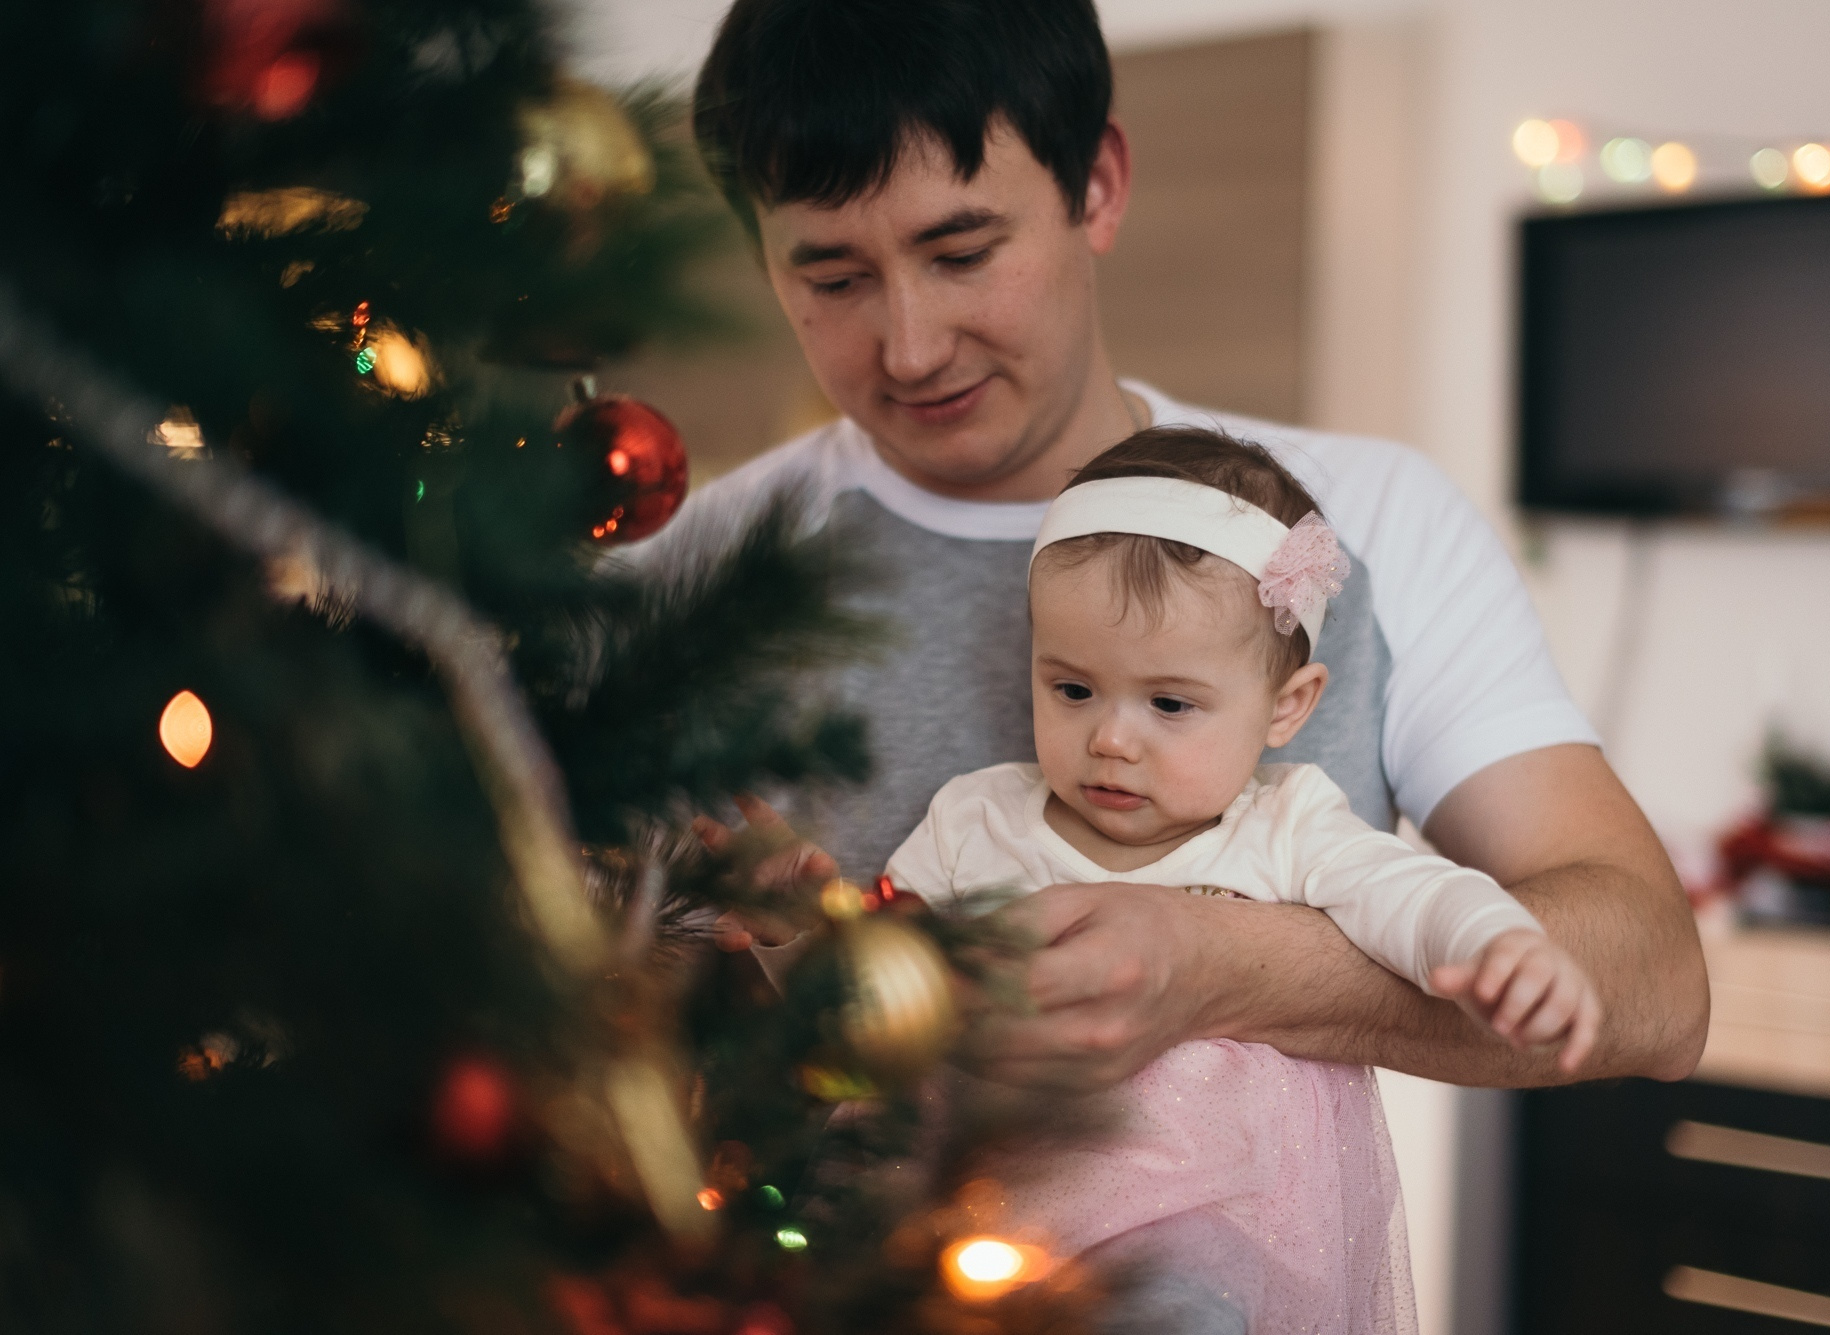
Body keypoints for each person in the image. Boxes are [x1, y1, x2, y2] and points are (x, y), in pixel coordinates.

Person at [634, 0, 1706, 1098]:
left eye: (962, 253)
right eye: (832, 280)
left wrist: (1223, 968)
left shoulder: (1364, 522)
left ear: (1096, 186)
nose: (909, 348)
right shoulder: (679, 581)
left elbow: (1659, 991)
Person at [875, 427, 1601, 1330]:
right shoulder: (975, 819)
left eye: (1169, 703)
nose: (1112, 738)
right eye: (1072, 690)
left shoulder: (1288, 828)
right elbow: (870, 969)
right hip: (989, 1204)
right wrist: (791, 925)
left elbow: (1409, 894)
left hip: (1214, 1233)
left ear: (1286, 706)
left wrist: (1497, 944)